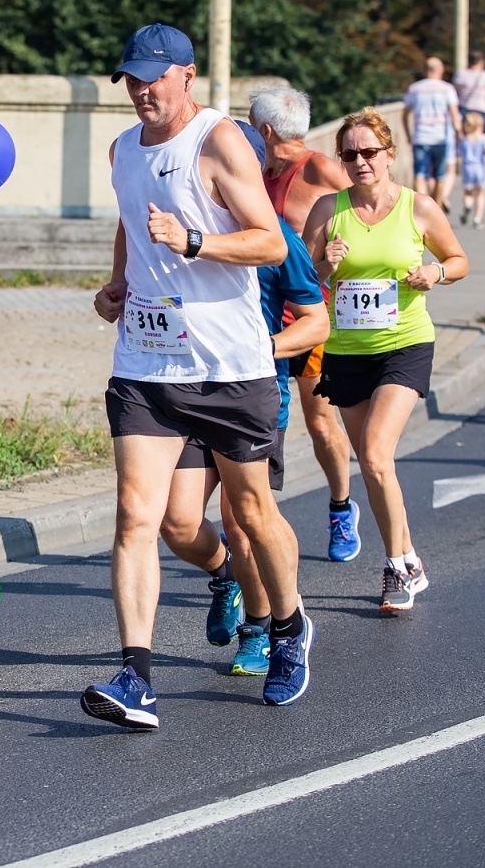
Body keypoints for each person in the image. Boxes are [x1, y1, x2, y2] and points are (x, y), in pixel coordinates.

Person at [78, 23, 311, 730]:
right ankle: (136, 677)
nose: (141, 89)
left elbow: (269, 239)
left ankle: (292, 627)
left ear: (186, 76)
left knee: (252, 516)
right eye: (131, 76)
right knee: (143, 519)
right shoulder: (122, 148)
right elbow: (130, 215)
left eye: (154, 75)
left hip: (230, 369)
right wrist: (117, 283)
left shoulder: (219, 140)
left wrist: (195, 240)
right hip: (147, 367)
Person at [303, 109, 470, 612]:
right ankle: (410, 557)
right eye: (349, 154)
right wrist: (325, 265)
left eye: (369, 152)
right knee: (376, 468)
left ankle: (397, 568)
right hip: (348, 350)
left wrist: (436, 273)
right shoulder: (328, 210)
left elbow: (460, 260)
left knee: (375, 455)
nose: (359, 162)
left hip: (405, 344)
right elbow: (306, 280)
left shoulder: (419, 208)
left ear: (390, 155)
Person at [155, 216, 330, 679]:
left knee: (244, 521)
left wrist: (264, 348)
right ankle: (226, 573)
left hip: (249, 399)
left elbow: (316, 324)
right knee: (177, 524)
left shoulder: (275, 236)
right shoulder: (179, 229)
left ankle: (261, 628)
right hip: (185, 395)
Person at [247, 86, 362, 562]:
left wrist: (335, 254)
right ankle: (253, 521)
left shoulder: (320, 168)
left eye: (254, 126)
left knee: (319, 421)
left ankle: (340, 508)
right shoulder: (256, 171)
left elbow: (361, 217)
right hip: (264, 318)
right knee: (258, 422)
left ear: (266, 129)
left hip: (311, 316)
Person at [402, 57, 463, 207]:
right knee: (440, 176)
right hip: (440, 138)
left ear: (425, 71)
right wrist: (459, 135)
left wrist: (408, 135)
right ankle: (436, 208)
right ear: (441, 71)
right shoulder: (447, 89)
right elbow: (455, 115)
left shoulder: (415, 88)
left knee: (420, 175)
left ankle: (422, 207)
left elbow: (404, 114)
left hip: (420, 137)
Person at [457, 111, 485, 228]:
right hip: (480, 169)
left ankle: (467, 205)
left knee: (468, 192)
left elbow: (459, 154)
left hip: (467, 168)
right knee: (480, 194)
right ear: (481, 125)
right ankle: (477, 219)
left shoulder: (464, 140)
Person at [453, 51, 485, 138]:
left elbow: (454, 96)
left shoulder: (460, 76)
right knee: (483, 139)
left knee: (465, 139)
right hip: (482, 110)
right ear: (482, 62)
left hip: (465, 110)